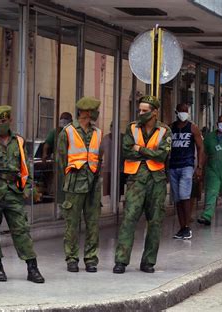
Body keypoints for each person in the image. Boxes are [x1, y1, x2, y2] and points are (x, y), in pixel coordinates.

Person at [0, 105, 45, 283]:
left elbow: (25, 166)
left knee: (21, 230)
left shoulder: (19, 141)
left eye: (4, 121)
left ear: (10, 121)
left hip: (14, 192)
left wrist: (28, 187)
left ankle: (32, 267)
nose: (1, 124)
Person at [113, 95, 172, 274]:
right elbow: (126, 151)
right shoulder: (131, 128)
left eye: (145, 111)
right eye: (140, 110)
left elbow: (162, 155)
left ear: (155, 112)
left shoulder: (165, 131)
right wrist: (149, 152)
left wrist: (139, 149)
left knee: (155, 222)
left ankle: (148, 262)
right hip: (136, 180)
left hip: (157, 181)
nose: (141, 113)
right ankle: (121, 261)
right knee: (129, 219)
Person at [56, 97, 102, 273]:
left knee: (93, 224)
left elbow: (98, 157)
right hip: (74, 183)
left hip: (93, 184)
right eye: (95, 110)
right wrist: (67, 180)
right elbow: (61, 161)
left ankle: (91, 259)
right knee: (72, 224)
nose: (97, 114)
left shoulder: (97, 132)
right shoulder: (67, 132)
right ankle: (72, 258)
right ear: (87, 112)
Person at [169, 103, 204, 240]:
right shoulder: (171, 128)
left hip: (187, 165)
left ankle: (187, 227)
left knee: (185, 196)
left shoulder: (193, 128)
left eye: (186, 111)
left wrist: (199, 166)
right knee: (177, 198)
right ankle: (182, 226)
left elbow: (200, 147)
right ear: (176, 112)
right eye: (182, 111)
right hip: (173, 166)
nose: (184, 113)